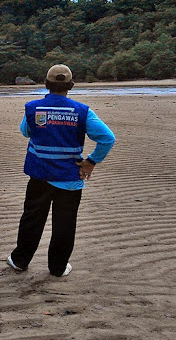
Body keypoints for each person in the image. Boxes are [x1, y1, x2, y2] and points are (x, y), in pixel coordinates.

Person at [7, 64, 115, 277]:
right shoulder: (83, 111)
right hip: (69, 178)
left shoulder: (33, 107)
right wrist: (91, 161)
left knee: (31, 219)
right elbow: (107, 138)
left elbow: (25, 131)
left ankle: (20, 261)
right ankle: (57, 267)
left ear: (46, 85)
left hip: (39, 175)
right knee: (65, 223)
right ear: (70, 86)